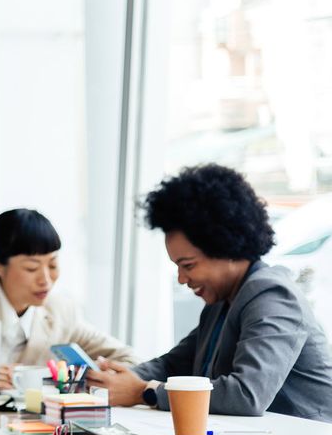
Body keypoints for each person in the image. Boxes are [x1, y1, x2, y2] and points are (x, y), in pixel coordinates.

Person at [87, 165, 332, 421]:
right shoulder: (223, 301)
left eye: (188, 265)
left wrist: (144, 392)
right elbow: (173, 364)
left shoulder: (272, 296)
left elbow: (246, 395)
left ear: (226, 246)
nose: (182, 279)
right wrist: (119, 378)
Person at [0, 209, 137, 390]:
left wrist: (88, 377)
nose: (46, 280)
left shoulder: (61, 311)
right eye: (31, 268)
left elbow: (129, 358)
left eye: (52, 264)